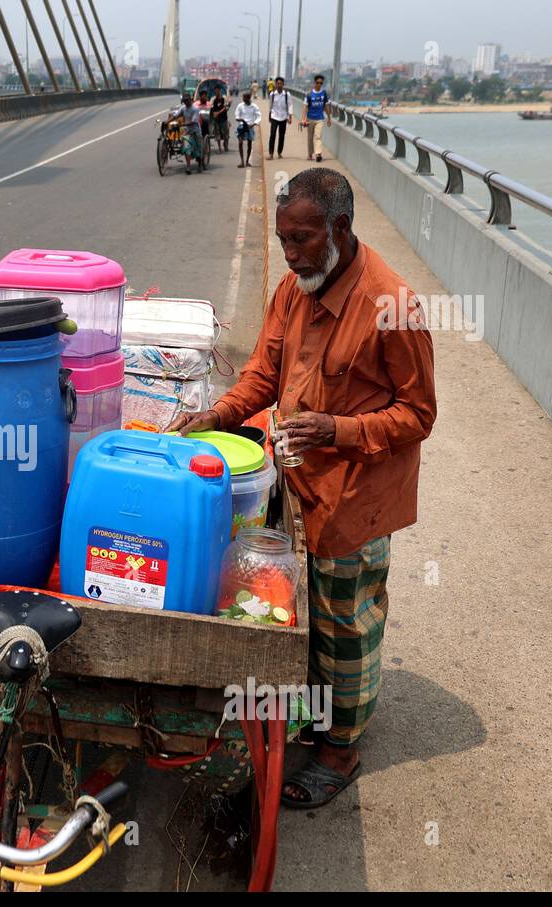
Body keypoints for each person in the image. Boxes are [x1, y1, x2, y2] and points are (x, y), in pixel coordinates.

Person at [170, 169, 436, 809]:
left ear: (340, 229)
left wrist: (338, 429)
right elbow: (264, 370)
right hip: (295, 481)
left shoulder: (392, 305)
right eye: (284, 240)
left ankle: (341, 749)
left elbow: (418, 415)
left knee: (347, 622)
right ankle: (317, 715)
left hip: (356, 494)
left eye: (304, 239)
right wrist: (218, 415)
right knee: (300, 613)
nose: (291, 254)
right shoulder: (294, 289)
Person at [302, 73, 331, 162]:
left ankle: (318, 154)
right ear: (314, 83)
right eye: (318, 83)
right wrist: (303, 119)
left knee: (318, 136)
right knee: (310, 137)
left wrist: (329, 118)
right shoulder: (309, 94)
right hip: (310, 119)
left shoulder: (324, 93)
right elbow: (305, 107)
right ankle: (310, 154)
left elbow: (326, 106)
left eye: (321, 83)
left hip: (320, 118)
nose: (319, 84)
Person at [233, 89, 261, 168]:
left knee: (249, 144)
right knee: (240, 142)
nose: (244, 99)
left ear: (249, 98)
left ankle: (247, 161)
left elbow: (259, 116)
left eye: (245, 97)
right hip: (242, 126)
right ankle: (242, 161)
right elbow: (237, 116)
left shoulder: (254, 106)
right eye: (243, 97)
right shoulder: (240, 106)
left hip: (250, 126)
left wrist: (254, 123)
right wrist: (241, 119)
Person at [268, 76, 291, 159]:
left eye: (281, 83)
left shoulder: (287, 94)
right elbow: (270, 105)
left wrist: (290, 116)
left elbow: (290, 105)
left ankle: (279, 152)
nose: (279, 85)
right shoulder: (272, 94)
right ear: (275, 84)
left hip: (283, 117)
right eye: (277, 83)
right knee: (272, 135)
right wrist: (269, 114)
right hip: (274, 116)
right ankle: (271, 153)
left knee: (282, 136)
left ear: (283, 84)